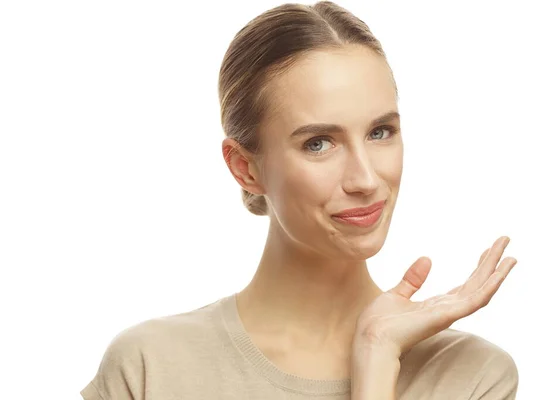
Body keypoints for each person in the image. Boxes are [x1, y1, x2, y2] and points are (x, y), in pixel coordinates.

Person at [80, 1, 519, 399]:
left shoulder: (469, 376)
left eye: (380, 132)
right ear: (245, 168)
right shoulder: (150, 368)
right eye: (318, 144)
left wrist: (377, 352)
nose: (366, 179)